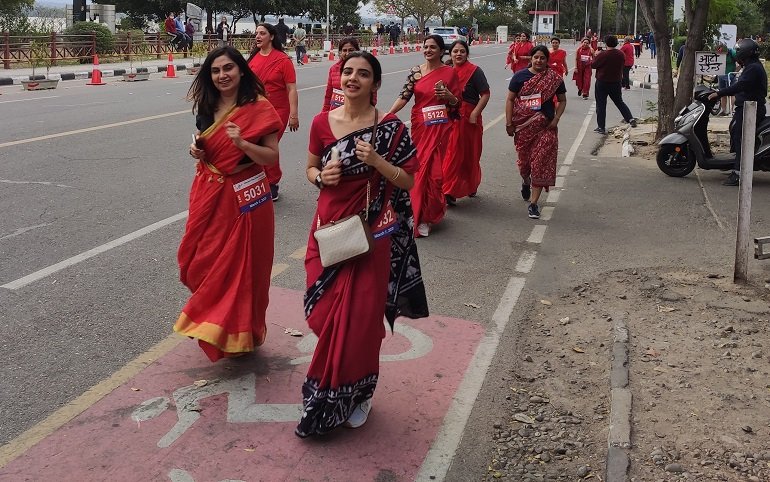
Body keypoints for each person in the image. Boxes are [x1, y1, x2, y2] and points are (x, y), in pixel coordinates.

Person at [297, 51, 429, 437]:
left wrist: (377, 162)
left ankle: (359, 390)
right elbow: (307, 169)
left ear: (375, 83)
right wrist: (322, 176)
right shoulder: (322, 123)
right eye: (347, 71)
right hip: (328, 229)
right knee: (322, 314)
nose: (352, 77)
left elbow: (407, 181)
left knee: (362, 319)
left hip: (373, 233)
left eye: (363, 73)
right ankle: (341, 371)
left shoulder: (390, 128)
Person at [176, 46, 283, 362]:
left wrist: (242, 143)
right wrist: (195, 149)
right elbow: (202, 140)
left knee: (244, 266)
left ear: (241, 71)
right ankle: (219, 323)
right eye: (215, 71)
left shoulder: (258, 108)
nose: (222, 75)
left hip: (246, 195)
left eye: (228, 69)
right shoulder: (207, 104)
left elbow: (271, 156)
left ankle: (241, 332)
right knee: (200, 259)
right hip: (210, 191)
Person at [389, 35, 461, 238]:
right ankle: (417, 216)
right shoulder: (416, 72)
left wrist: (449, 97)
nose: (428, 50)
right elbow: (404, 97)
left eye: (432, 47)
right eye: (425, 46)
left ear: (441, 51)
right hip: (420, 126)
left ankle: (429, 214)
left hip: (440, 128)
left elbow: (457, 104)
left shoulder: (449, 73)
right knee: (419, 171)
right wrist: (388, 114)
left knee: (435, 174)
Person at [505, 45, 567, 220]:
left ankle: (533, 203)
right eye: (536, 57)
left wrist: (556, 119)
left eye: (542, 58)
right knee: (525, 164)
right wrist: (509, 123)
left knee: (540, 162)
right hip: (523, 127)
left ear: (547, 61)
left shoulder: (553, 78)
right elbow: (510, 99)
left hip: (546, 127)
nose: (539, 61)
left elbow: (562, 100)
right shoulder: (519, 77)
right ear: (531, 59)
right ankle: (526, 180)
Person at [247, 23, 300, 201]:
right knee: (255, 145)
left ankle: (272, 182)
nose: (258, 36)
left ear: (271, 36)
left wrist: (294, 115)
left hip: (278, 111)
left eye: (262, 33)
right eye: (256, 33)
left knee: (268, 145)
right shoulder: (252, 59)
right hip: (256, 110)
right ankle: (259, 180)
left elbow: (291, 89)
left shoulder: (283, 60)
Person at [708, 38, 768, 186]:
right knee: (735, 132)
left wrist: (719, 93)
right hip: (745, 107)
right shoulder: (750, 66)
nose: (737, 55)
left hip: (751, 109)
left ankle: (738, 174)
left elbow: (740, 86)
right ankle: (737, 165)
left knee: (742, 139)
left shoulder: (753, 68)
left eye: (739, 52)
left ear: (744, 53)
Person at [442, 40, 490, 204]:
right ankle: (449, 190)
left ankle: (471, 183)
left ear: (467, 53)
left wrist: (475, 113)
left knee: (470, 154)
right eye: (455, 51)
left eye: (462, 51)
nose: (458, 54)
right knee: (452, 154)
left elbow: (485, 94)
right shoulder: (447, 71)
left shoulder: (475, 71)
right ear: (450, 54)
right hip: (451, 117)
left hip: (469, 117)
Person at [592, 35, 637, 134]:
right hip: (616, 82)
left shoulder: (603, 54)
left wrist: (596, 55)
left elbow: (593, 65)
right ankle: (630, 118)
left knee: (601, 104)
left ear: (606, 43)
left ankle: (601, 127)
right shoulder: (621, 54)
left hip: (602, 82)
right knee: (619, 102)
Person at [322, 37, 364, 112]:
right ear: (340, 52)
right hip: (336, 115)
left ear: (357, 51)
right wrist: (324, 114)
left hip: (357, 114)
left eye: (351, 50)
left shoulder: (364, 69)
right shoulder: (333, 69)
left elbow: (371, 97)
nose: (347, 53)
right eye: (344, 50)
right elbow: (328, 96)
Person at [716, 42, 736, 116]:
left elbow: (741, 62)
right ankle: (723, 111)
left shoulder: (732, 53)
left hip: (730, 75)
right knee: (722, 93)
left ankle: (731, 110)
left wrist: (734, 72)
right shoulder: (718, 52)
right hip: (721, 75)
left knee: (731, 93)